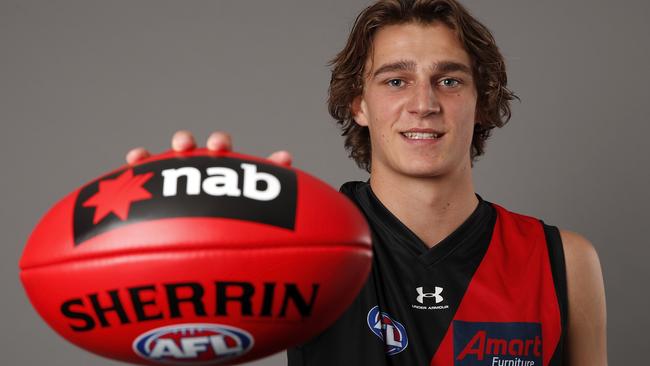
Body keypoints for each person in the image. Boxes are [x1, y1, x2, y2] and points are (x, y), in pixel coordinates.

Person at [126, 0, 606, 365]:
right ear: (359, 104)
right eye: (396, 81)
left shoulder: (563, 259)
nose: (424, 104)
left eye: (450, 80)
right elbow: (191, 329)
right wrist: (169, 243)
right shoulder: (301, 243)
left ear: (482, 102)